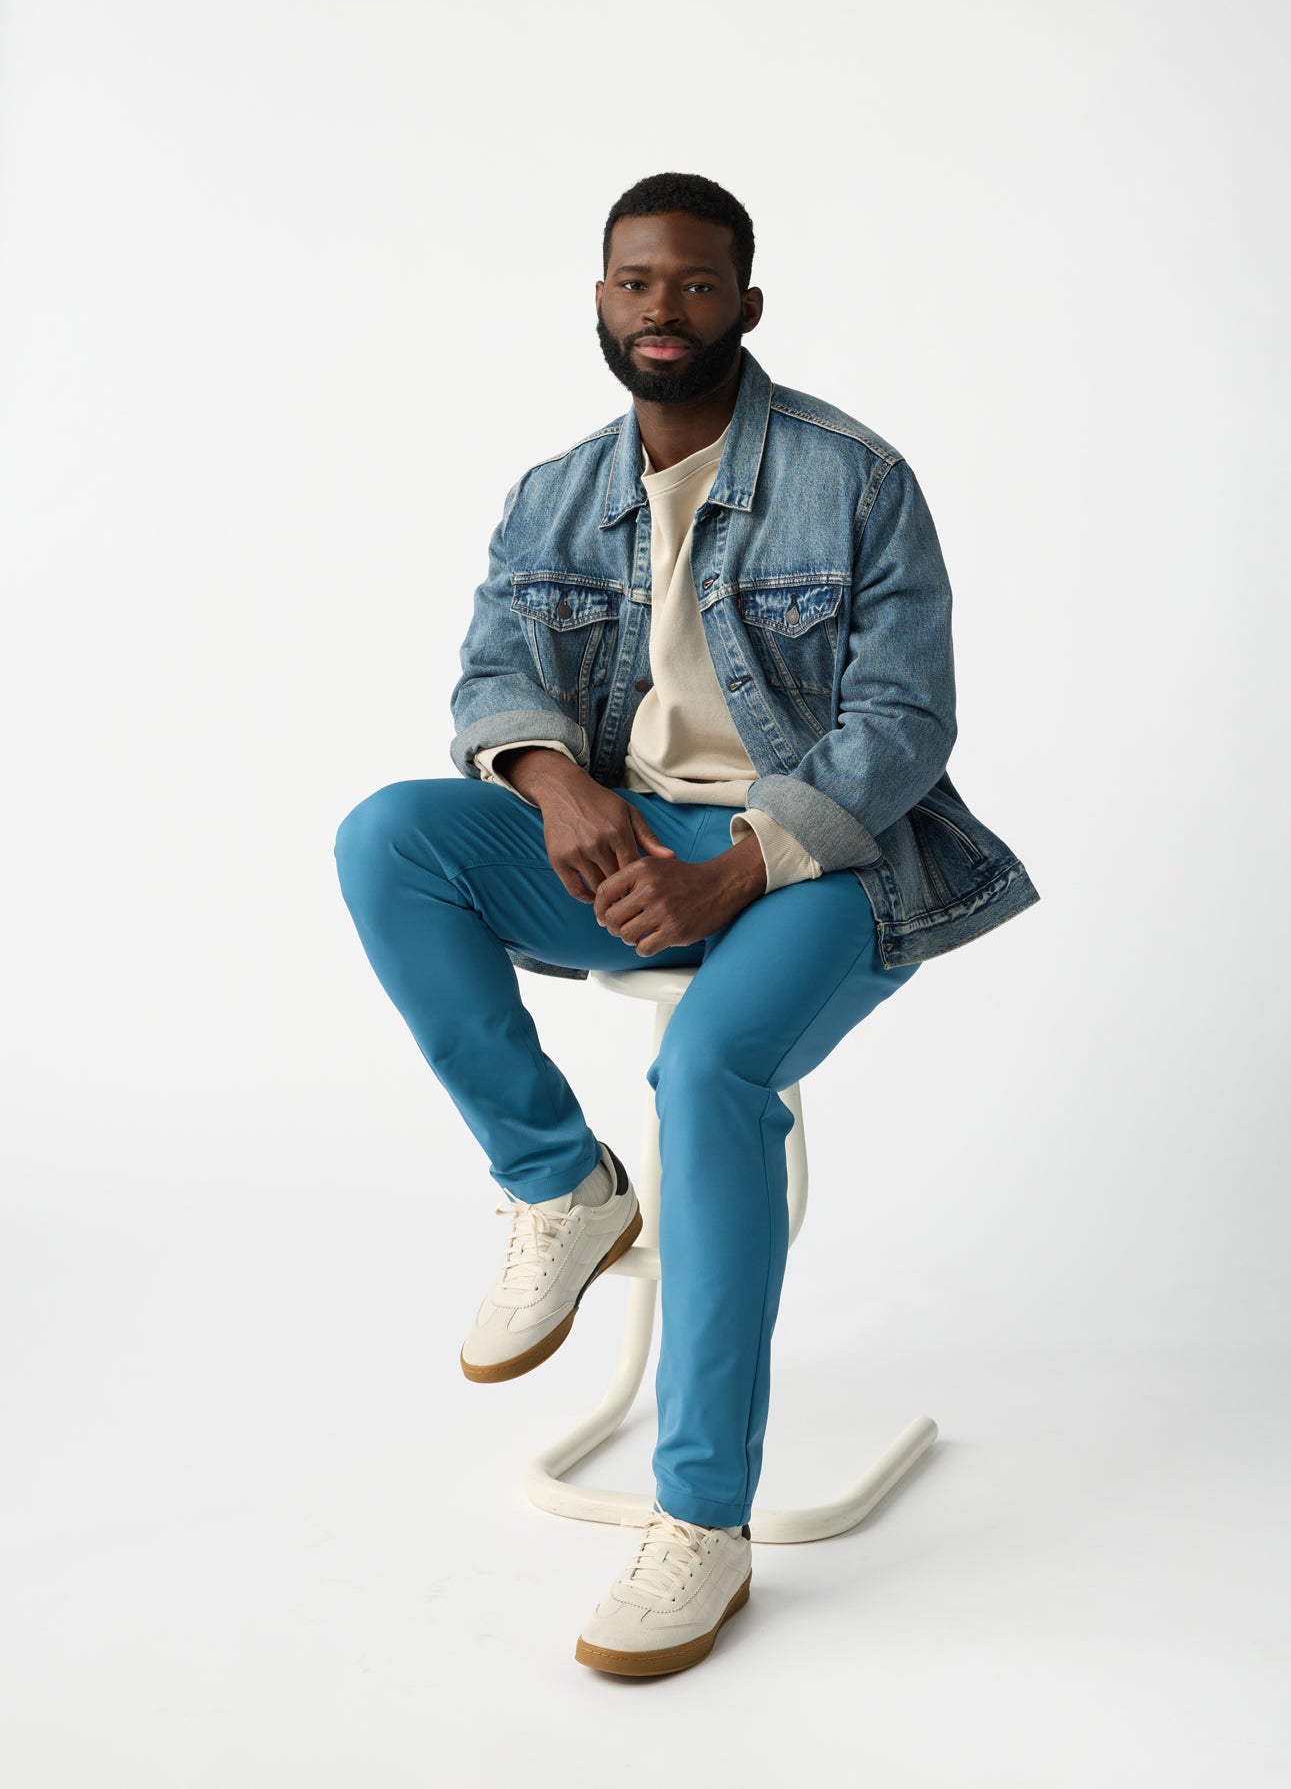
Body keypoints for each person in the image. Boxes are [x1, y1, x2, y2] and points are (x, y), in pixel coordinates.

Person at [333, 171, 1040, 1677]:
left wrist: (737, 867)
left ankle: (700, 1521)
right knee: (393, 835)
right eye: (636, 282)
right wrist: (545, 782)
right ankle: (557, 1187)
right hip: (626, 842)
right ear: (600, 300)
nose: (664, 309)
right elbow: (488, 676)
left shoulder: (853, 479)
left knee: (709, 1070)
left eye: (696, 284)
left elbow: (903, 724)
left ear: (747, 305)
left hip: (825, 865)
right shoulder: (552, 492)